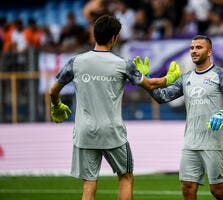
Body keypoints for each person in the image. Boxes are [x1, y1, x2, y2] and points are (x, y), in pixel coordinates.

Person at [48, 14, 181, 200]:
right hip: (112, 132)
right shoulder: (122, 65)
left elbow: (53, 91)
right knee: (125, 177)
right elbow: (151, 85)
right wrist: (170, 78)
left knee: (89, 183)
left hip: (85, 132)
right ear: (114, 38)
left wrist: (57, 106)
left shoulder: (75, 62)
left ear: (94, 35)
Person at [137, 35, 223, 200]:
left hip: (214, 143)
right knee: (187, 188)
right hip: (191, 143)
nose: (194, 51)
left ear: (209, 52)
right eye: (192, 48)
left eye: (199, 47)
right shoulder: (186, 78)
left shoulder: (221, 75)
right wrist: (147, 80)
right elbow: (161, 96)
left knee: (218, 191)